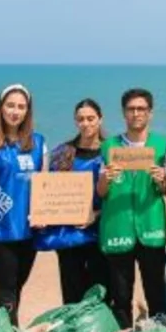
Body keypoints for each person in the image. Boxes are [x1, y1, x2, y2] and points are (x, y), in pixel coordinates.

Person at [98, 88, 166, 328]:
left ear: (150, 113)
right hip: (118, 227)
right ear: (123, 113)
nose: (136, 114)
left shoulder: (163, 146)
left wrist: (163, 179)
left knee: (156, 291)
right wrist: (106, 179)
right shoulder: (108, 146)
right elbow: (100, 192)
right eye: (131, 109)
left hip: (151, 227)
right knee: (120, 295)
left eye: (141, 109)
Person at [0, 84, 45, 326]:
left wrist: (45, 214)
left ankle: (5, 331)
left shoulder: (39, 143)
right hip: (1, 228)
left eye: (21, 107)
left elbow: (45, 184)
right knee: (5, 290)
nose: (15, 111)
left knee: (17, 286)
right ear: (0, 108)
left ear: (28, 111)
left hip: (30, 229)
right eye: (11, 105)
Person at [41, 99, 110, 305]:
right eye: (81, 119)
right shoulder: (62, 152)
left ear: (100, 119)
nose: (86, 123)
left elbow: (119, 193)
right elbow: (48, 190)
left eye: (91, 118)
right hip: (68, 235)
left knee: (102, 288)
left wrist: (96, 215)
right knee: (72, 290)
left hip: (101, 230)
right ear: (75, 121)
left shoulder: (111, 150)